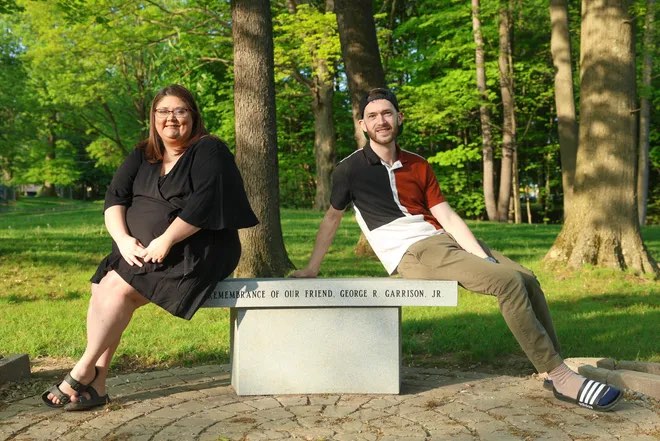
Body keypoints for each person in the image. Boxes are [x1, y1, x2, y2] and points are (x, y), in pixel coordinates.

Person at [292, 87, 622, 412]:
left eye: (387, 113)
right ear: (363, 125)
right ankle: (561, 376)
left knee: (526, 277)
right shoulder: (350, 170)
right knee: (506, 283)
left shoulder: (418, 164)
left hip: (442, 241)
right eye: (372, 116)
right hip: (413, 252)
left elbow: (446, 215)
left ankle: (551, 369)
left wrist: (482, 256)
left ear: (399, 117)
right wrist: (312, 268)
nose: (381, 120)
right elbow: (332, 219)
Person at [42, 84, 258, 411]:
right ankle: (97, 385)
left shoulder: (209, 150)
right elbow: (115, 198)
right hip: (138, 250)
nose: (171, 118)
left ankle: (82, 370)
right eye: (163, 111)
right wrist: (124, 240)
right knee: (104, 285)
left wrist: (166, 239)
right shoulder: (142, 154)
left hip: (198, 249)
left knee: (114, 287)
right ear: (153, 118)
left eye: (180, 110)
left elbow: (205, 204)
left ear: (193, 116)